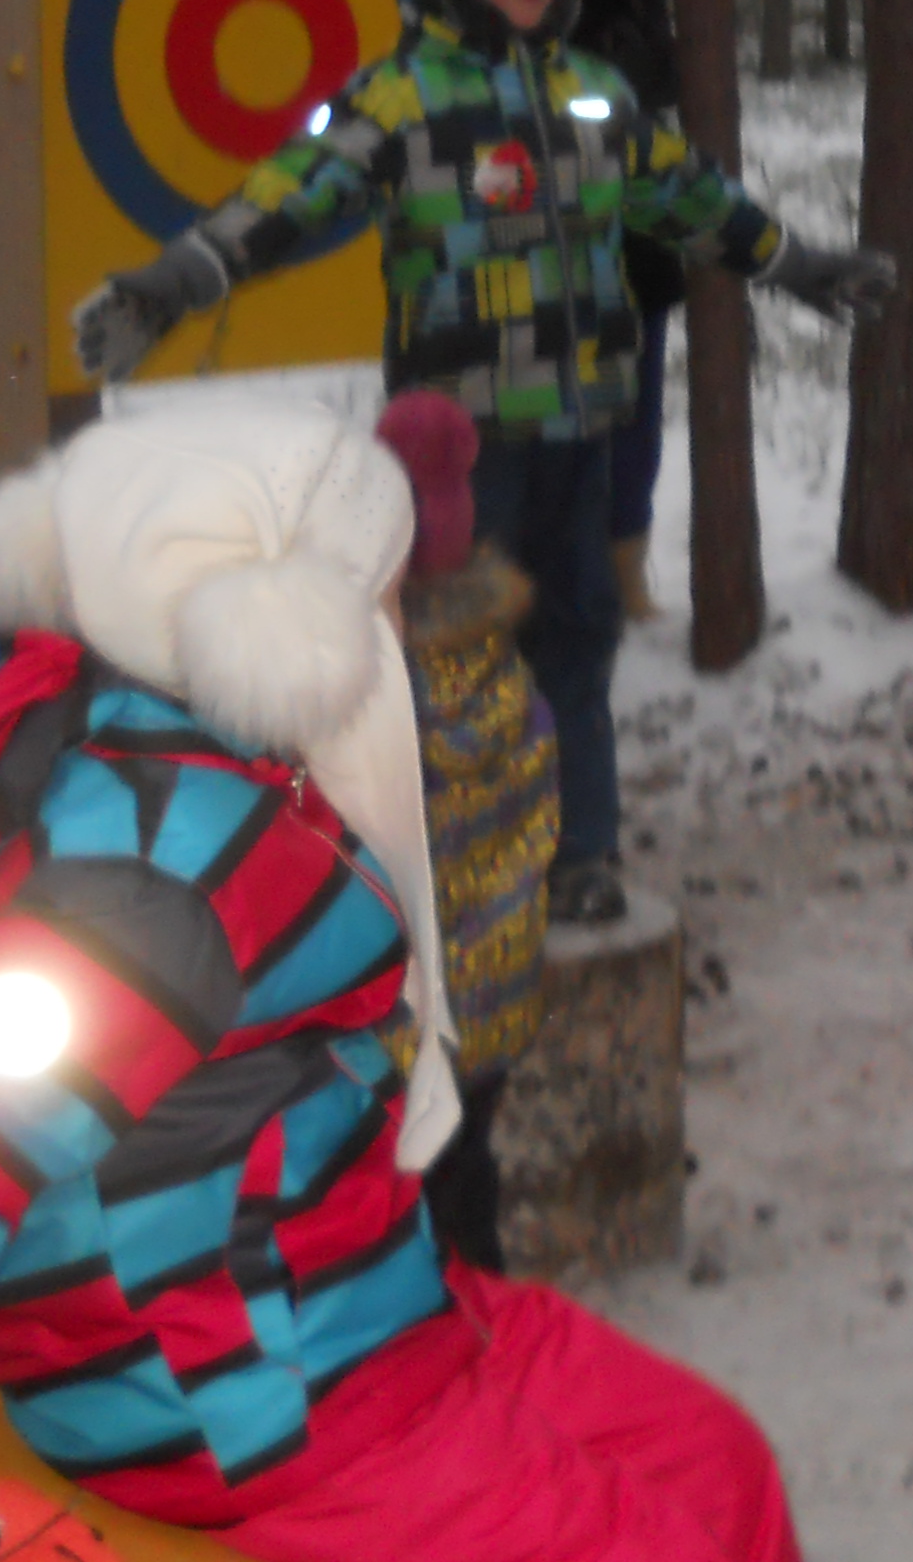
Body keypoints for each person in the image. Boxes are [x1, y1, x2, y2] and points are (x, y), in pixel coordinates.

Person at [0, 392, 800, 1562]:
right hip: (249, 1414)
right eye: (383, 596)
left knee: (716, 1463)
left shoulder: (234, 767)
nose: (403, 623)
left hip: (364, 1304)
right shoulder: (158, 884)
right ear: (284, 619)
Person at [70, 0, 893, 928]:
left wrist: (797, 264)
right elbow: (295, 189)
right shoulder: (404, 95)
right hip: (459, 447)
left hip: (581, 425)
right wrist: (187, 275)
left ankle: (579, 849)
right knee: (456, 654)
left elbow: (688, 193)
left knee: (579, 637)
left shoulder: (589, 91)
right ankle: (452, 858)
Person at [378, 386, 560, 1274]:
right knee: (465, 1174)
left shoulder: (374, 689)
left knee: (404, 1202)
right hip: (494, 995)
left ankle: (438, 1321)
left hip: (404, 1015)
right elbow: (538, 816)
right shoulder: (500, 670)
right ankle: (482, 1308)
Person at [553, 0, 684, 627]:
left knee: (635, 415)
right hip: (552, 237)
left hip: (634, 233)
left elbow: (664, 75)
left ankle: (626, 574)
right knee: (565, 421)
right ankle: (569, 578)